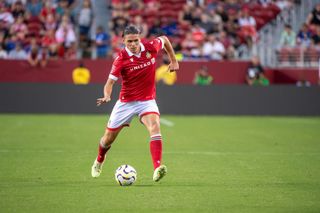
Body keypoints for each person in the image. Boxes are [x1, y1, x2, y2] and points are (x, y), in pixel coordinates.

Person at [91, 25, 179, 182]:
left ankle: (157, 168)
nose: (133, 44)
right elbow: (109, 83)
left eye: (136, 40)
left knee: (155, 126)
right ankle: (99, 160)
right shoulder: (121, 59)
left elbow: (165, 40)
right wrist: (106, 96)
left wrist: (173, 60)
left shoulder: (150, 47)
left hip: (147, 101)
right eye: (129, 41)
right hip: (126, 103)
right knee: (108, 139)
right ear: (123, 40)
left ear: (140, 38)